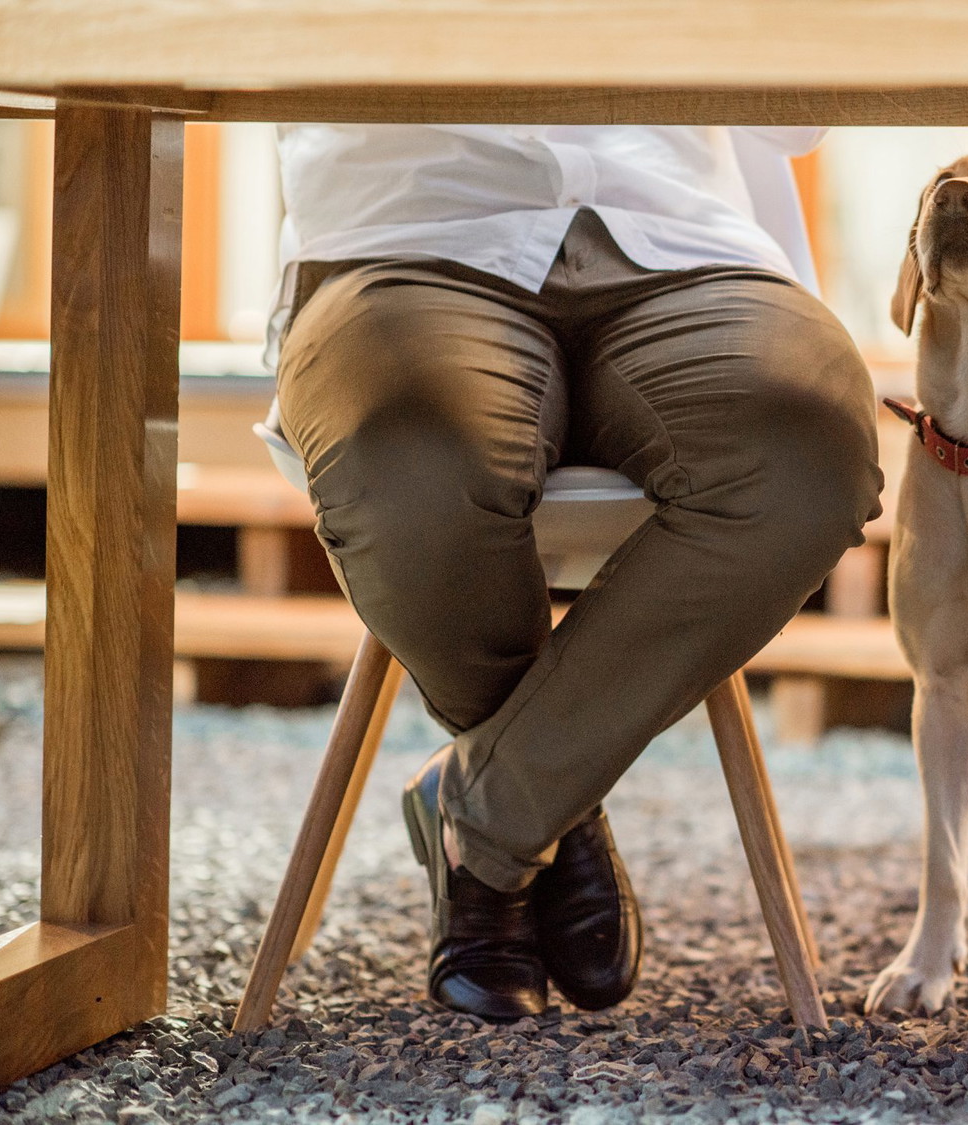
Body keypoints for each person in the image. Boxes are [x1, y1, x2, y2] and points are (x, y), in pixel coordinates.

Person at [268, 124, 881, 1020]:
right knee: (410, 460)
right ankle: (550, 804)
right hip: (408, 231)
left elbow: (796, 114)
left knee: (806, 454)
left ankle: (487, 819)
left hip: (683, 239)